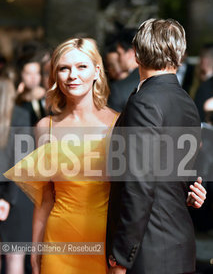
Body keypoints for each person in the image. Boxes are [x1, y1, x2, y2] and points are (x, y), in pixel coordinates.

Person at [4, 37, 205, 274]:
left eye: (81, 67)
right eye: (64, 68)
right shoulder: (44, 127)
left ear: (97, 71)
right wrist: (36, 250)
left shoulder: (119, 123)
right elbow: (46, 199)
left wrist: (186, 195)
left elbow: (143, 186)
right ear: (55, 75)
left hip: (106, 244)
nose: (72, 76)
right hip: (57, 243)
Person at [106, 19, 206, 274]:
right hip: (180, 245)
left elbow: (139, 183)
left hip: (148, 251)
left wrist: (121, 256)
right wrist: (191, 191)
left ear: (137, 54)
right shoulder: (186, 102)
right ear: (180, 54)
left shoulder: (144, 102)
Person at [0, 76, 33, 274]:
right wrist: (7, 199)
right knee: (15, 258)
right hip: (18, 196)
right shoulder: (20, 114)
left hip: (10, 193)